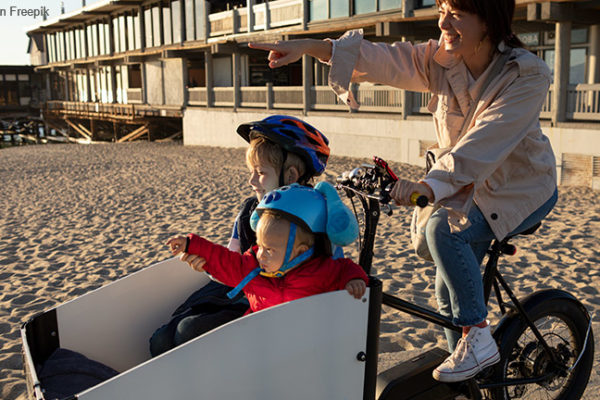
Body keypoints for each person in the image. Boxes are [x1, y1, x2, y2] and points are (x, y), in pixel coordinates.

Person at [249, 0, 558, 383]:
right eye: (441, 8)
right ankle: (470, 369)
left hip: (519, 189)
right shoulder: (445, 58)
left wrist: (429, 185)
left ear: (489, 17)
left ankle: (478, 337)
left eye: (456, 12)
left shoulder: (525, 74)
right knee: (446, 294)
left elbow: (483, 143)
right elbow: (387, 59)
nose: (443, 20)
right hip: (467, 184)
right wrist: (312, 47)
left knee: (443, 232)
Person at [149, 115, 333, 357]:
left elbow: (329, 271)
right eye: (251, 171)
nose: (252, 180)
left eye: (261, 172)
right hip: (235, 286)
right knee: (161, 339)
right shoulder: (249, 211)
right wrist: (206, 263)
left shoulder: (313, 217)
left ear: (290, 176)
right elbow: (231, 258)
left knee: (188, 331)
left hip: (268, 302)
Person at [166, 183, 368, 315]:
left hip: (303, 346)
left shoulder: (321, 271)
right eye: (260, 245)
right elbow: (225, 260)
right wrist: (192, 244)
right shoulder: (253, 268)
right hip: (260, 341)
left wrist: (355, 280)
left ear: (300, 251)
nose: (260, 254)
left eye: (269, 249)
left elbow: (345, 268)